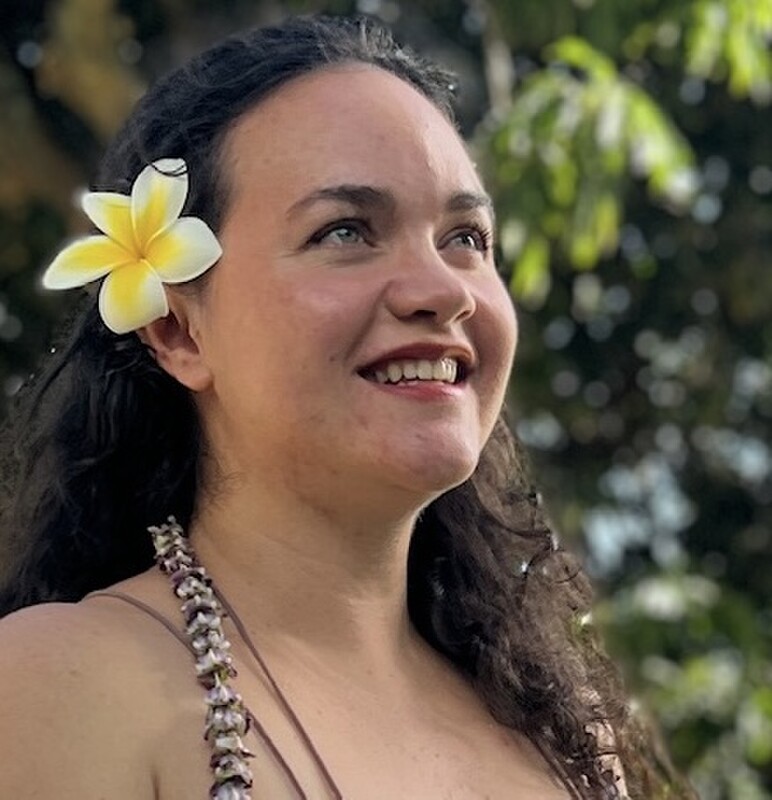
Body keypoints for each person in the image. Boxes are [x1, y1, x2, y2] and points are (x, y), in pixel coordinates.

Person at [0, 14, 693, 800]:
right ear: (178, 332)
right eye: (345, 231)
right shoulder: (62, 688)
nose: (443, 290)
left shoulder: (564, 739)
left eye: (466, 237)